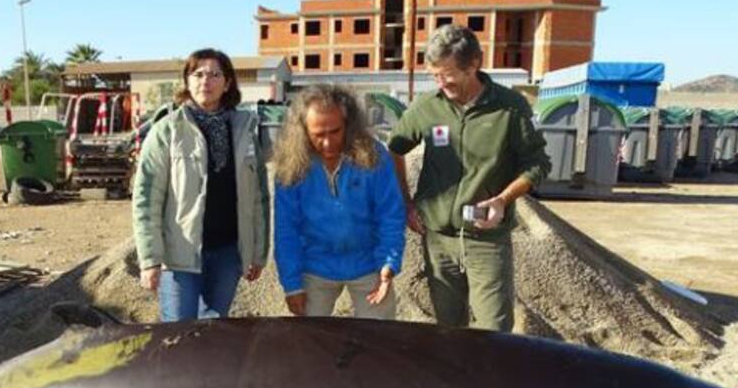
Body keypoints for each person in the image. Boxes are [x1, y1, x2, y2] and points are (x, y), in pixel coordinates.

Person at [387, 25, 550, 332]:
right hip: (437, 239)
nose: (440, 83)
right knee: (448, 329)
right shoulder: (427, 106)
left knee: (494, 330)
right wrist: (406, 202)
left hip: (487, 241)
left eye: (446, 75)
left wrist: (503, 200)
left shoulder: (509, 109)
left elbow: (538, 164)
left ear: (474, 63)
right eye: (434, 75)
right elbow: (394, 149)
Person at [132, 48, 270, 321]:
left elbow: (259, 197)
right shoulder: (167, 131)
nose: (205, 80)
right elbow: (147, 197)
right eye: (198, 73)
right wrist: (150, 259)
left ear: (227, 83)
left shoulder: (244, 130)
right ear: (187, 80)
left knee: (213, 334)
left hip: (228, 252)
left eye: (215, 74)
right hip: (178, 256)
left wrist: (257, 253)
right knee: (177, 333)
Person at [272, 84, 406, 319]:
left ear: (349, 125)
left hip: (369, 264)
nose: (327, 143)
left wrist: (388, 264)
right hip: (314, 267)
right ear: (303, 131)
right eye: (318, 135)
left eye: (335, 131)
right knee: (309, 341)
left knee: (380, 340)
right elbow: (286, 229)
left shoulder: (374, 155)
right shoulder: (290, 166)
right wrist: (292, 284)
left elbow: (390, 214)